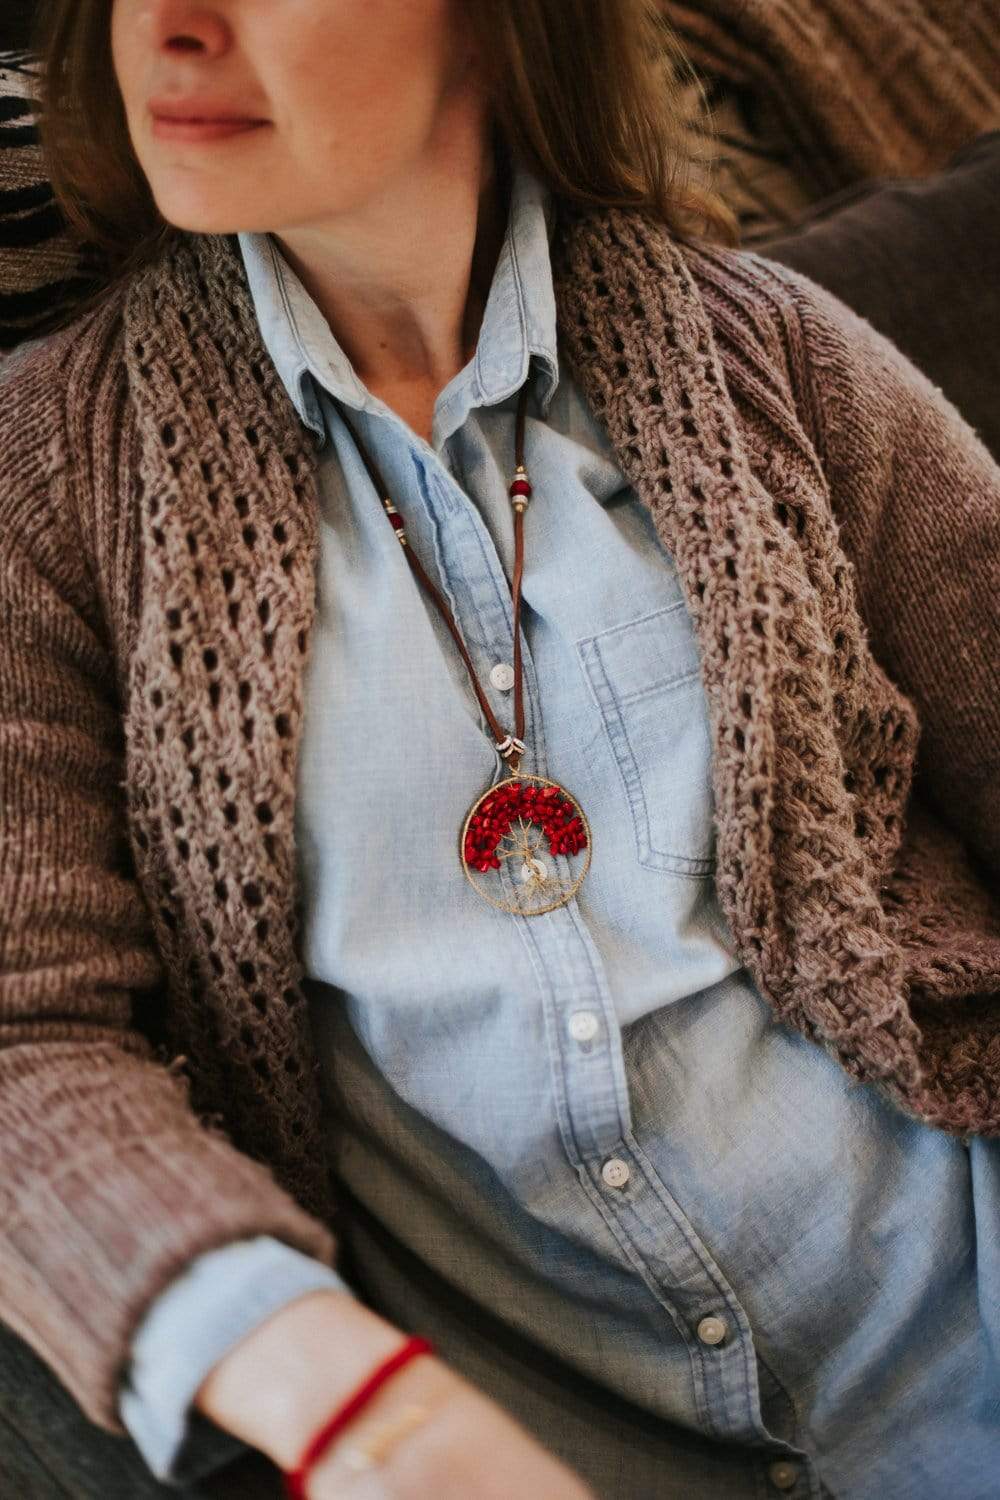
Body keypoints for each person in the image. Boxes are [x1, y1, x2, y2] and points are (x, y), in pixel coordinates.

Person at [1, 2, 998, 1498]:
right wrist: (345, 1404)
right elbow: (24, 1038)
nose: (176, 28)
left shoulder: (773, 354)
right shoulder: (46, 490)